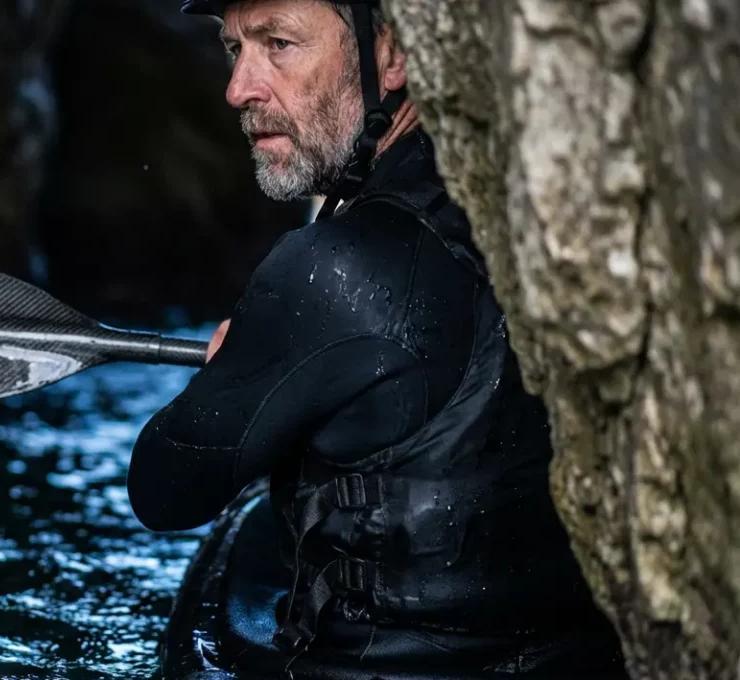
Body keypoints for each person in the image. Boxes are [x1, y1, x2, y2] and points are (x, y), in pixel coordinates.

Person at [126, 1, 630, 677]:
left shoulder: (328, 269)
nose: (238, 87)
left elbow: (163, 491)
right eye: (232, 48)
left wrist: (231, 373)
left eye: (278, 43)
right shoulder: (537, 211)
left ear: (391, 54)